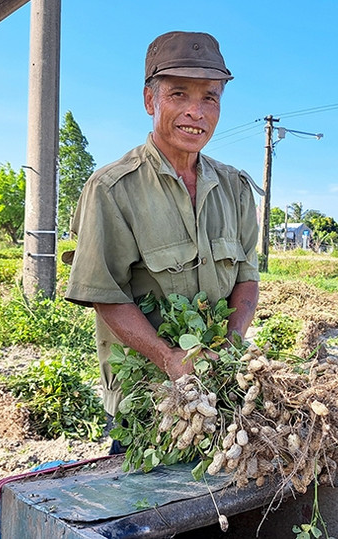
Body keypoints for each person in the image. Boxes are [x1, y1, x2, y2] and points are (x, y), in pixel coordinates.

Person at [63, 31, 261, 442]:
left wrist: (231, 343)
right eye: (179, 95)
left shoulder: (236, 188)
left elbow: (246, 278)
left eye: (210, 97)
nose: (196, 112)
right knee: (143, 503)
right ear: (150, 100)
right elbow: (105, 293)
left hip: (219, 399)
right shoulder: (112, 189)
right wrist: (169, 357)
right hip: (147, 403)